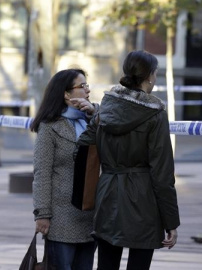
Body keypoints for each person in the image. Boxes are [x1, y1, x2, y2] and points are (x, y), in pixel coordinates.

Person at [77, 50, 180, 270]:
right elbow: (162, 174)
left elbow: (84, 144)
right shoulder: (156, 114)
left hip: (107, 192)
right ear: (150, 76)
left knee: (106, 263)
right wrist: (171, 222)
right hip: (143, 199)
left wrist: (95, 115)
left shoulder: (107, 107)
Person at [31, 68, 98, 269]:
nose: (88, 90)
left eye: (87, 85)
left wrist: (95, 113)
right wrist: (42, 213)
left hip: (91, 214)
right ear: (66, 94)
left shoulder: (94, 120)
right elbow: (42, 172)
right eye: (82, 86)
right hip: (62, 215)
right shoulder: (50, 126)